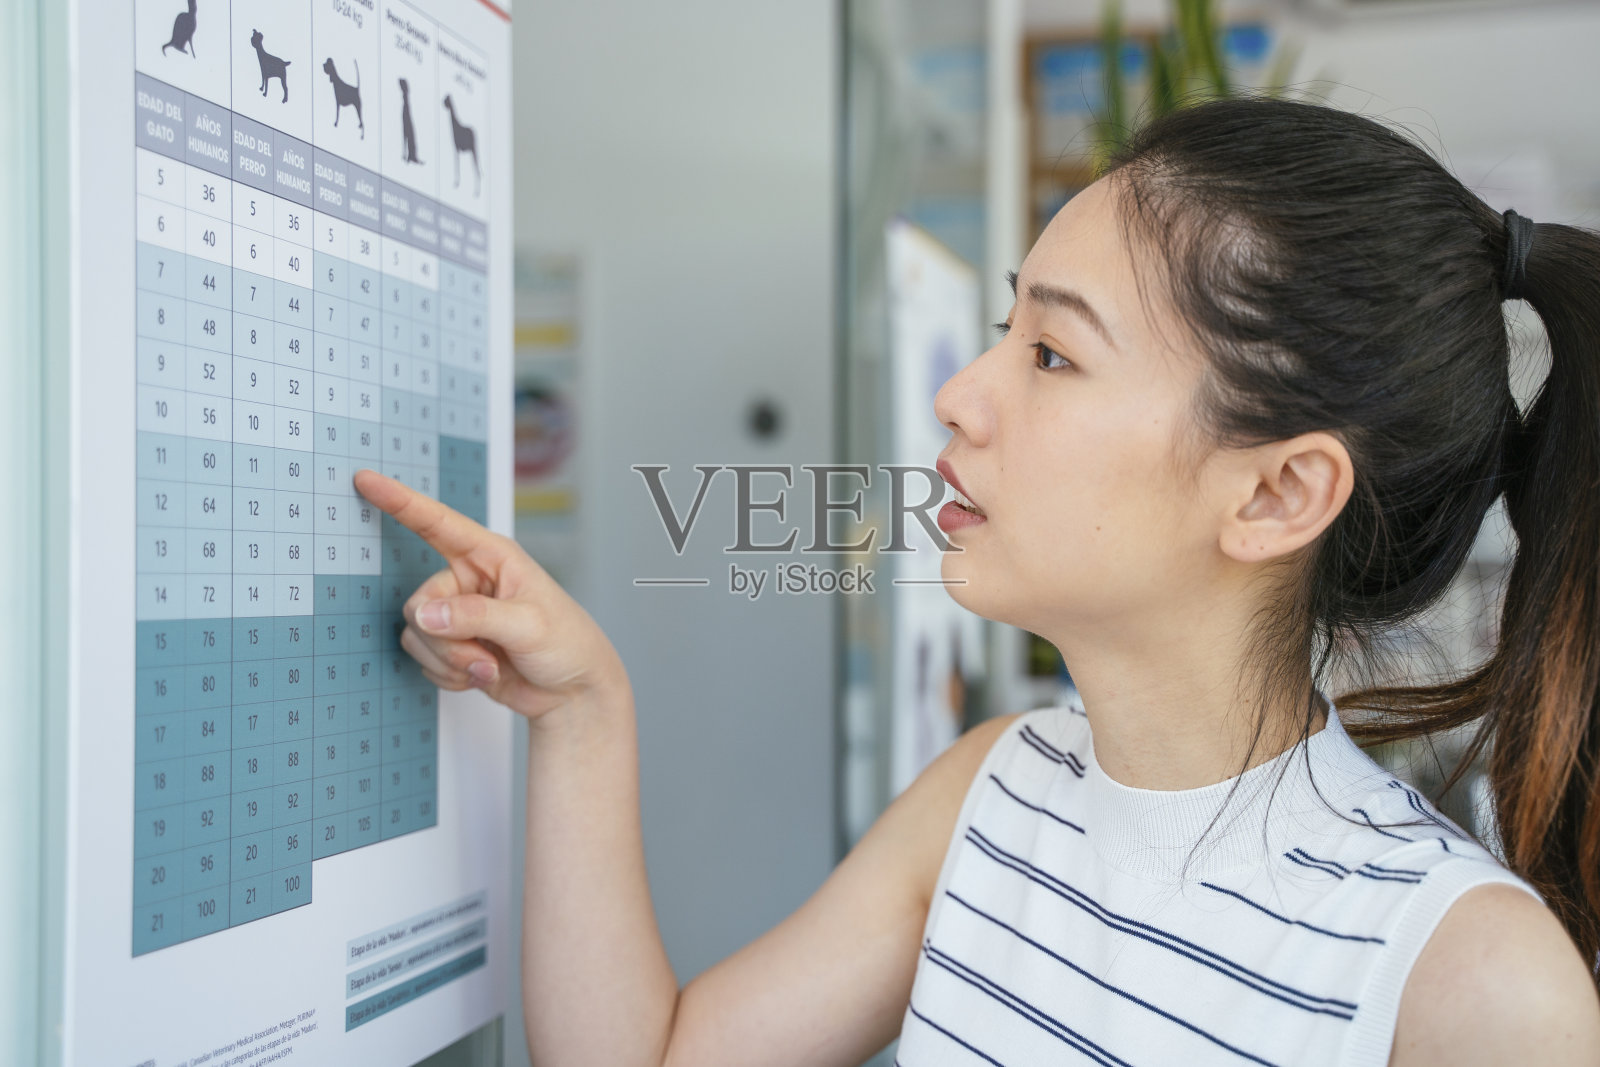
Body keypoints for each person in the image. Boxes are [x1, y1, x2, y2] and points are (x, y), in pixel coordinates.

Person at [353, 96, 1600, 1065]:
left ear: (1275, 494)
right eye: (1009, 326)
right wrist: (583, 711)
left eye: (1051, 353)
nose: (961, 393)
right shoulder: (990, 791)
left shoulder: (1474, 979)